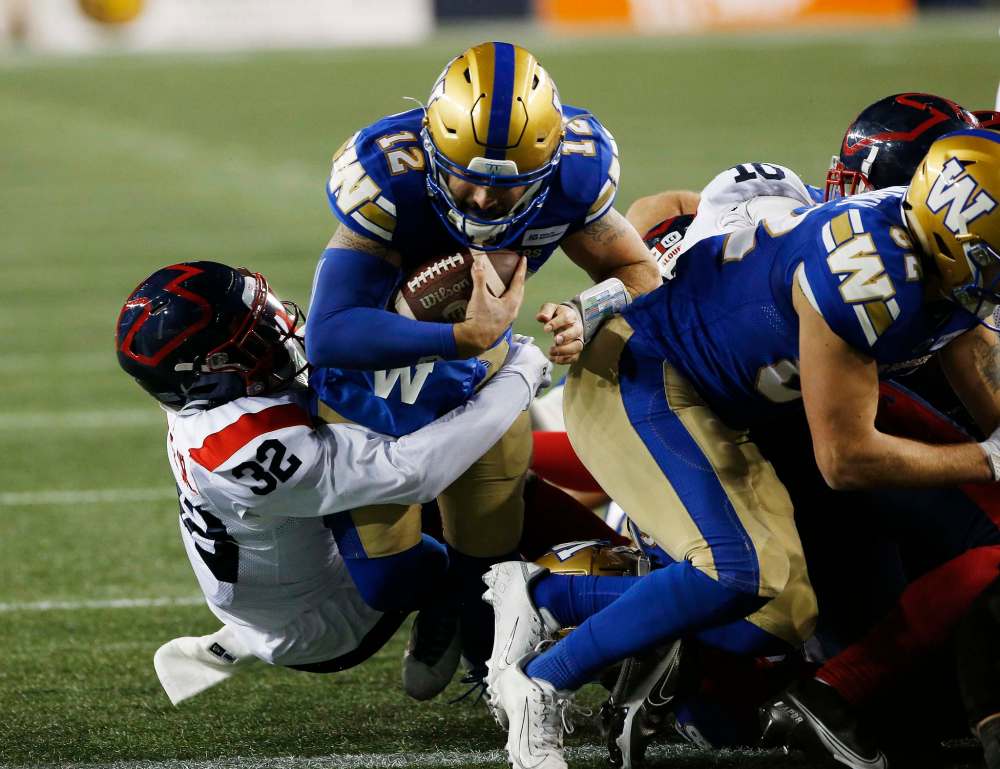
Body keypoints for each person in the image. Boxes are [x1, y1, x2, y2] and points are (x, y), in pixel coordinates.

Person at [485, 128, 1000, 769]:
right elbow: (845, 460)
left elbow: (977, 363)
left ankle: (561, 596)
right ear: (961, 237)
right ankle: (539, 678)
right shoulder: (870, 276)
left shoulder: (928, 250)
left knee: (783, 611)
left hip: (725, 410)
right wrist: (989, 458)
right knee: (738, 570)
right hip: (647, 377)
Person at [305, 40, 659, 698]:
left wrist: (588, 310)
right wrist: (462, 334)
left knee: (489, 555)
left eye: (509, 183)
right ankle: (438, 596)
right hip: (371, 383)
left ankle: (482, 647)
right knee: (387, 579)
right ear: (432, 146)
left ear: (548, 165)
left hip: (478, 374)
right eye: (464, 172)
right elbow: (329, 333)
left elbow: (637, 272)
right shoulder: (393, 173)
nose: (483, 198)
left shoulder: (572, 179)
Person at [114, 260, 551, 705]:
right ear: (216, 368)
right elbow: (413, 472)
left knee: (409, 416)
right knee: (479, 494)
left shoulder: (205, 397)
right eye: (255, 334)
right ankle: (460, 615)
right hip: (322, 623)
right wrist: (520, 372)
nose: (280, 327)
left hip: (273, 595)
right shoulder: (242, 448)